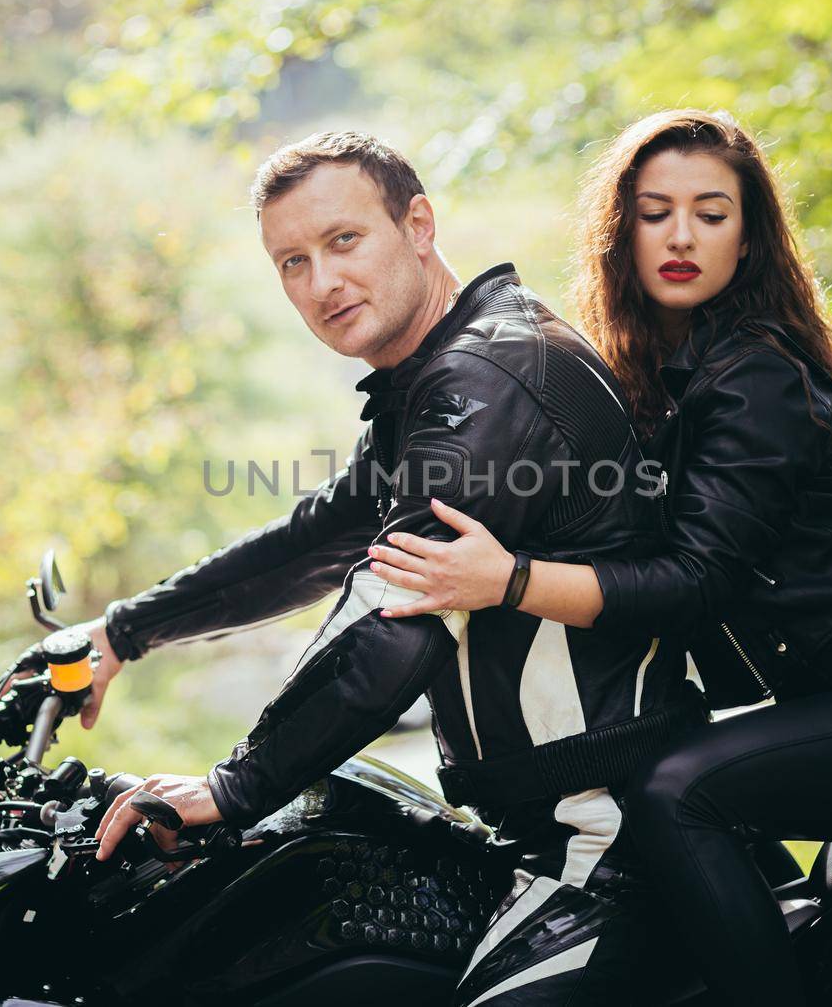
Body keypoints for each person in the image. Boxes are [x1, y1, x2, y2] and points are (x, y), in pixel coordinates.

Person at [368, 109, 832, 1004]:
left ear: (750, 235)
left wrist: (511, 580)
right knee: (704, 796)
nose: (681, 236)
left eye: (711, 212)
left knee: (677, 791)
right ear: (623, 232)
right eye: (655, 212)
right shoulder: (662, 369)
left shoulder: (753, 373)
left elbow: (696, 583)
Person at [67, 131, 701, 1003]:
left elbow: (391, 626)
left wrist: (234, 784)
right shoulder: (440, 379)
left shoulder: (490, 379)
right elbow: (317, 540)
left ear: (419, 224)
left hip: (611, 845)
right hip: (544, 831)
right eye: (292, 262)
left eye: (343, 241)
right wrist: (120, 631)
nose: (322, 283)